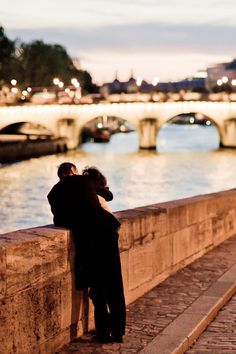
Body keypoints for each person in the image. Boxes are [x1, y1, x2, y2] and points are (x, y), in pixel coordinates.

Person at [47, 162, 126, 343]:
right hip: (105, 232)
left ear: (60, 177)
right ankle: (118, 331)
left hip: (86, 240)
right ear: (74, 171)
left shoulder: (53, 193)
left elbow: (59, 219)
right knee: (114, 284)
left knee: (97, 286)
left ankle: (103, 332)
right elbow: (109, 195)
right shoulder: (85, 180)